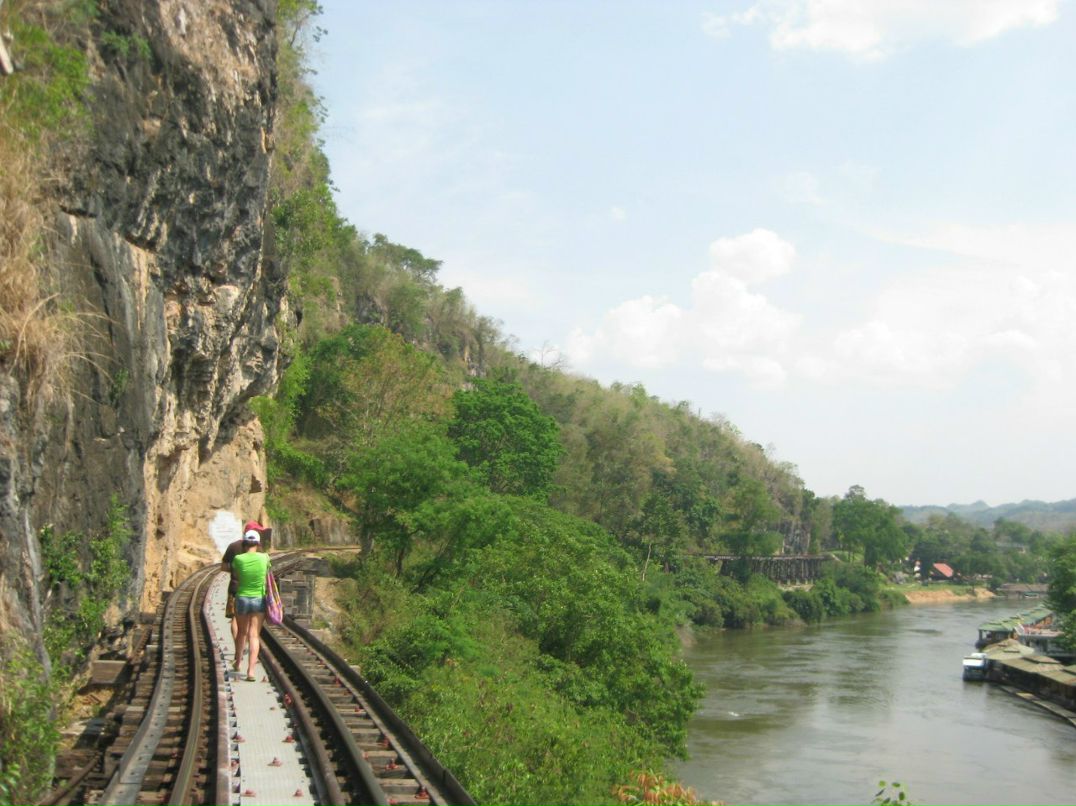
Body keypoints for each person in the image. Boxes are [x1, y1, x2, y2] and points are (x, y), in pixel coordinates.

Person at [230, 526, 271, 681]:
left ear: (244, 543)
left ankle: (238, 662)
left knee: (242, 633)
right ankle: (251, 672)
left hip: (242, 597)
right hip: (258, 599)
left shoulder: (238, 559)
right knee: (254, 635)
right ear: (258, 543)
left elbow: (235, 573)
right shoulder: (265, 558)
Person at [221, 520, 269, 649]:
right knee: (251, 625)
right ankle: (244, 647)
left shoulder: (233, 546)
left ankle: (238, 649)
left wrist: (237, 570)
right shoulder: (259, 548)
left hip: (234, 587)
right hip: (254, 589)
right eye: (258, 531)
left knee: (234, 619)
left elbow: (224, 567)